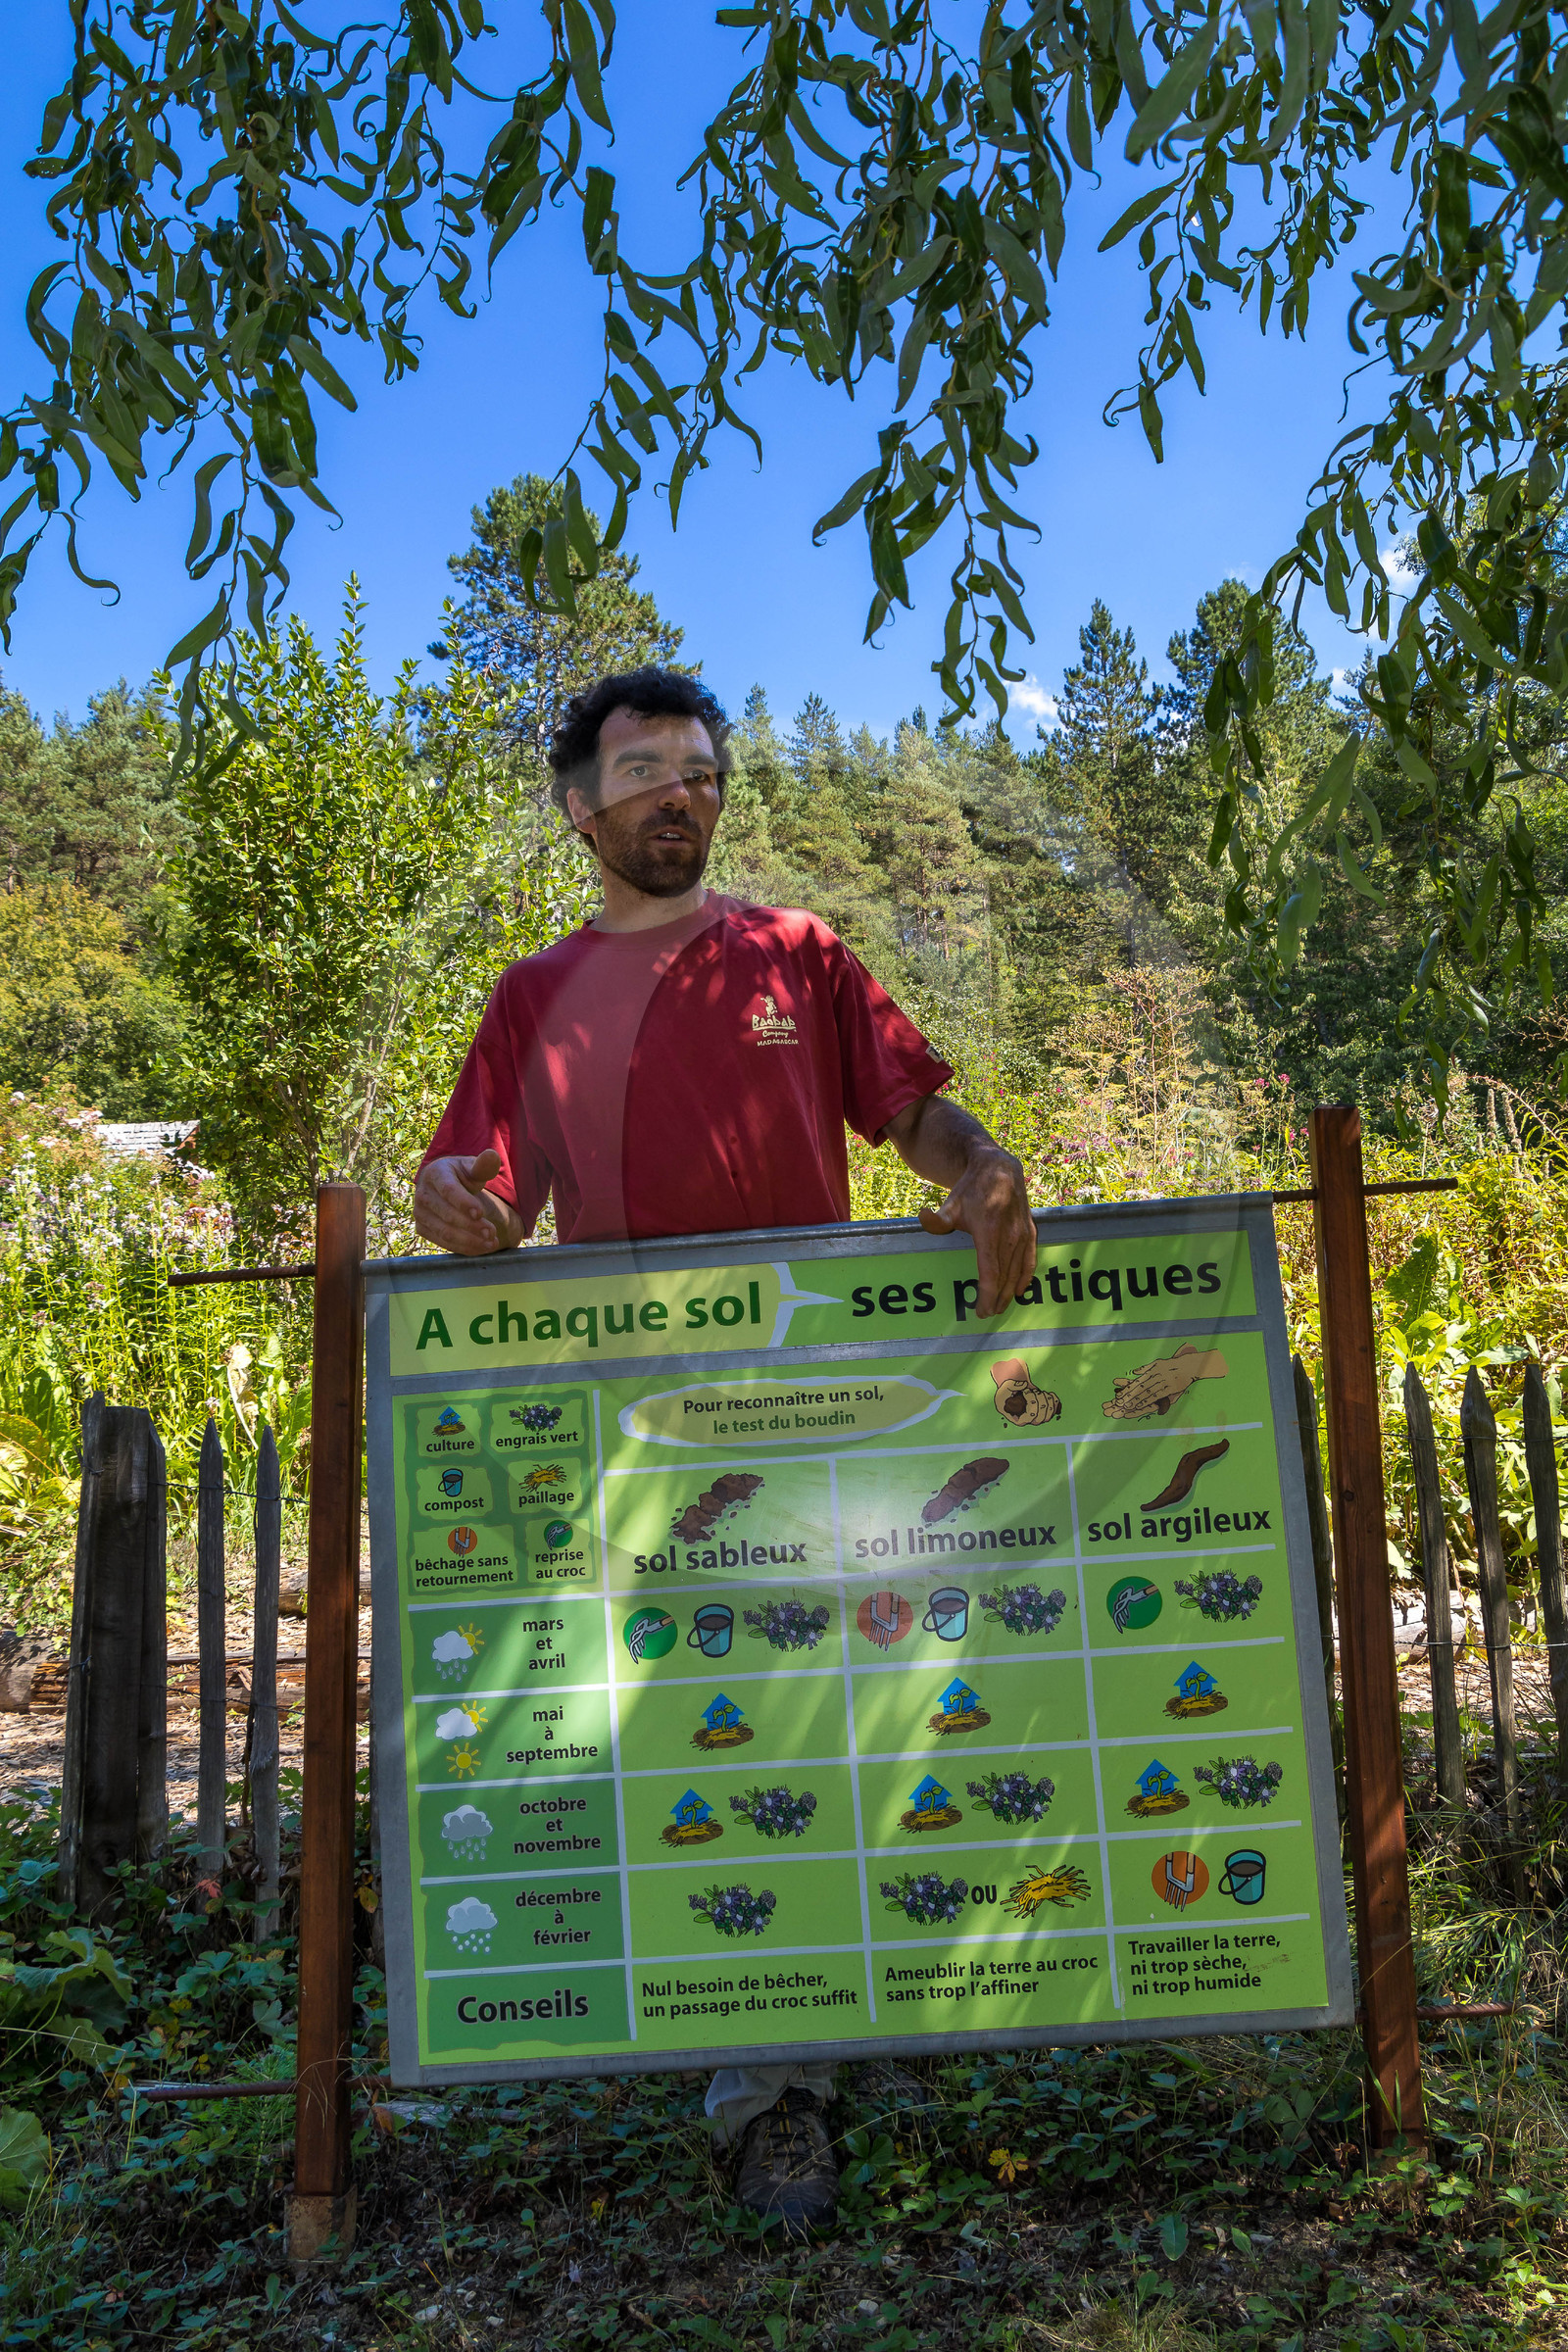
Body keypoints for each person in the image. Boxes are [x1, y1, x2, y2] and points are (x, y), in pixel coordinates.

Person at [415, 666, 1037, 2230]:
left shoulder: (800, 956)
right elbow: (473, 1189)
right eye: (640, 772)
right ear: (581, 810)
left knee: (834, 1719)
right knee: (718, 1736)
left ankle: (825, 2031)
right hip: (640, 1438)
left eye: (698, 770)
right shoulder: (530, 995)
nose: (676, 793)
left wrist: (984, 1167)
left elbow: (919, 1120)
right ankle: (765, 2099)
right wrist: (457, 1209)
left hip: (828, 1414)